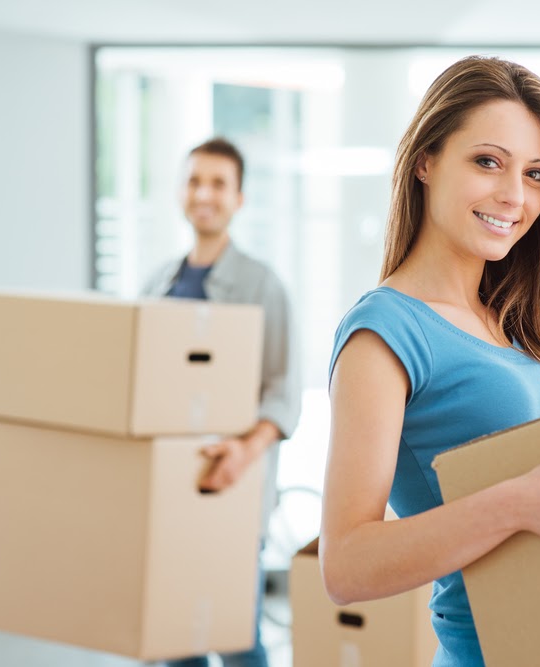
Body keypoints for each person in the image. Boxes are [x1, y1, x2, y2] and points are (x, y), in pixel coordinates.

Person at [321, 56, 540, 666]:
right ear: (426, 160)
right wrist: (521, 502)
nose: (514, 196)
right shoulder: (385, 332)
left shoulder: (510, 323)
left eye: (537, 173)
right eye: (488, 161)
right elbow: (345, 565)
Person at [142, 137, 301, 667]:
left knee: (236, 638)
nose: (203, 193)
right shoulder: (156, 284)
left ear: (239, 198)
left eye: (217, 183)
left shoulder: (262, 285)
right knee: (174, 641)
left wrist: (243, 452)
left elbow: (282, 392)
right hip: (166, 490)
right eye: (193, 180)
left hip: (232, 487)